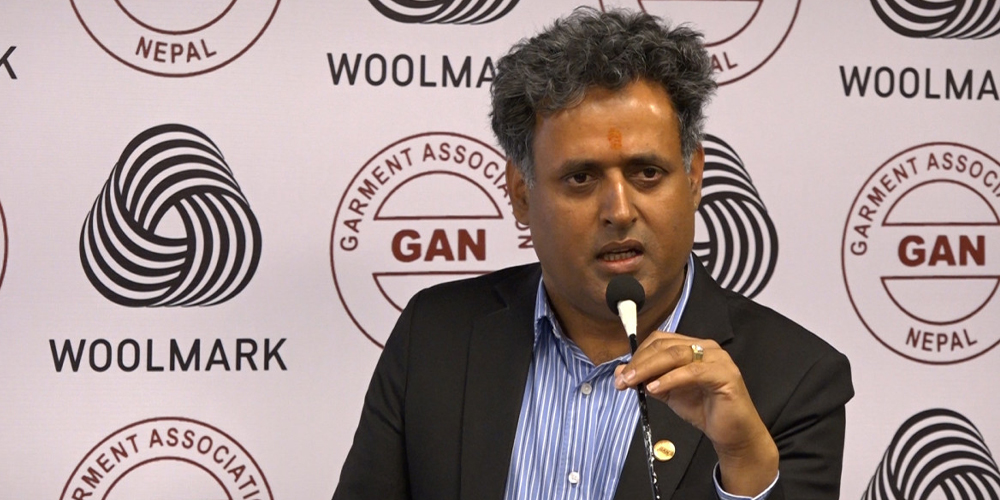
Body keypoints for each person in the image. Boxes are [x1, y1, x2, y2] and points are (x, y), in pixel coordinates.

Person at [333, 7, 853, 500]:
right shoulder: (437, 334)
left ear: (694, 177)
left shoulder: (796, 379)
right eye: (581, 178)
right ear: (521, 194)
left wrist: (743, 459)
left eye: (647, 173)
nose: (619, 211)